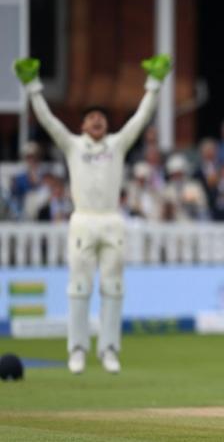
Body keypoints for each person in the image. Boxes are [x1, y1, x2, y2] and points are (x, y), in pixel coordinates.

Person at [13, 54, 172, 374]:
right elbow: (47, 121)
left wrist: (154, 84)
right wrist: (33, 88)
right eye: (91, 118)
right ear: (83, 125)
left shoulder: (117, 144)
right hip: (83, 220)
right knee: (79, 286)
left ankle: (109, 349)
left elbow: (141, 118)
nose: (97, 121)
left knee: (113, 286)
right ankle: (77, 350)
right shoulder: (72, 145)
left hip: (111, 220)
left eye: (101, 117)